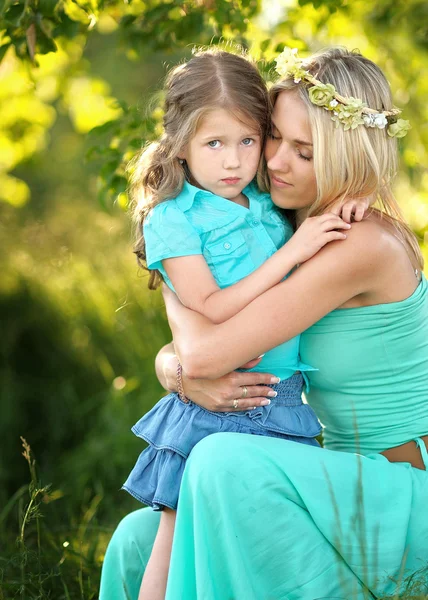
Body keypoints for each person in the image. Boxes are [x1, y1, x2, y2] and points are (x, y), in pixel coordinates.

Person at [100, 46, 428, 600]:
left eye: (306, 151)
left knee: (222, 464)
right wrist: (175, 370)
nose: (274, 162)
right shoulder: (280, 222)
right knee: (137, 539)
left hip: (401, 498)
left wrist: (176, 301)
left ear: (347, 154)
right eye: (273, 136)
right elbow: (192, 356)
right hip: (333, 478)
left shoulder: (359, 243)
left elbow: (204, 355)